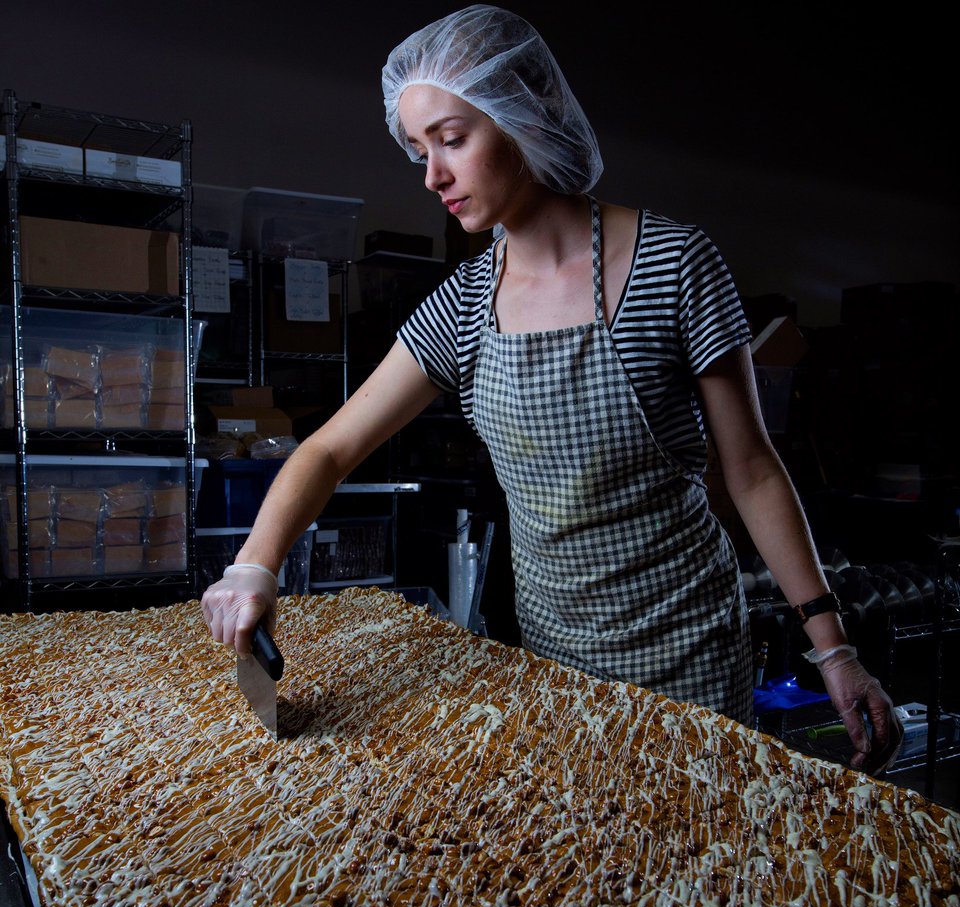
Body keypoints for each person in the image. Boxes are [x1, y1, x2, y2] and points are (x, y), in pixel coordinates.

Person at [201, 4, 902, 775]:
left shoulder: (674, 265)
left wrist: (832, 649)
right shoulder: (464, 309)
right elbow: (331, 447)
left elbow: (753, 470)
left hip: (689, 650)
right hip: (553, 656)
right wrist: (254, 568)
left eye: (452, 139)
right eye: (419, 151)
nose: (433, 175)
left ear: (523, 116)